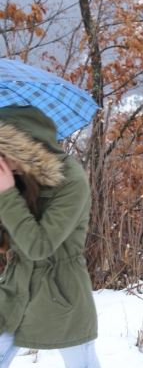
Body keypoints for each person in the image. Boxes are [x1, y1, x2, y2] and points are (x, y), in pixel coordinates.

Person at [0, 106, 100, 367]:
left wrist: (6, 195)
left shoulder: (71, 180)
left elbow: (39, 246)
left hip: (60, 291)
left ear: (25, 148)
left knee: (82, 364)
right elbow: (7, 241)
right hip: (16, 289)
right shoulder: (15, 176)